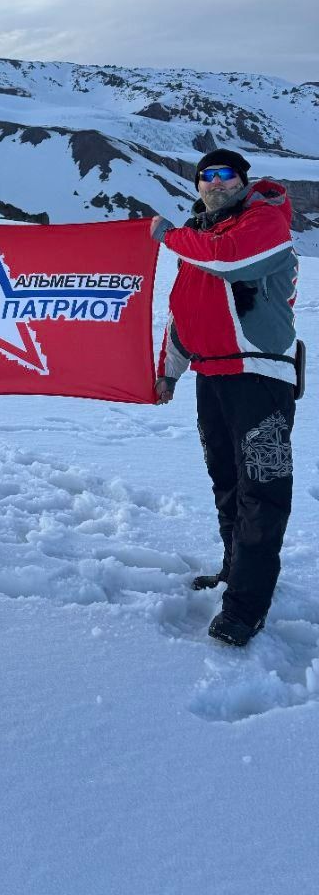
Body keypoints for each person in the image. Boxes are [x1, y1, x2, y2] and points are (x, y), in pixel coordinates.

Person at [150, 149, 298, 646]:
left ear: (242, 181)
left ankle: (246, 608)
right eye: (205, 177)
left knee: (263, 490)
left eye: (224, 175)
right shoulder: (203, 240)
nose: (214, 183)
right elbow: (184, 313)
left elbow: (232, 261)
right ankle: (235, 574)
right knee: (228, 482)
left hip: (260, 377)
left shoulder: (264, 222)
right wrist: (169, 373)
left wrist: (169, 235)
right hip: (212, 377)